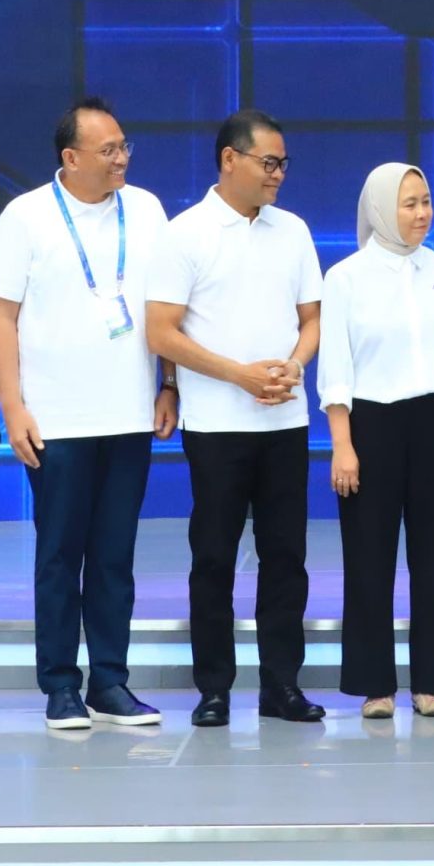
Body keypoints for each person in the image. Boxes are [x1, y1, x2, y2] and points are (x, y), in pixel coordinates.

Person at [0, 97, 173, 731]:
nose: (122, 159)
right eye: (108, 150)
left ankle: (110, 682)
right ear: (70, 158)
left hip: (129, 414)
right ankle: (61, 685)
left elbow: (167, 306)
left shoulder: (146, 210)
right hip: (55, 419)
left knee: (115, 557)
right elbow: (0, 317)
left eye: (124, 147)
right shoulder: (25, 216)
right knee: (60, 556)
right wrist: (13, 406)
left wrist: (169, 383)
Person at [144, 109, 328, 728]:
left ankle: (282, 685)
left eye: (283, 164)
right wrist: (238, 375)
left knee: (286, 558)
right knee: (214, 558)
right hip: (216, 424)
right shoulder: (185, 234)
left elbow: (312, 319)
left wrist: (294, 365)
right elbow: (161, 332)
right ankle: (214, 689)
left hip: (285, 421)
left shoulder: (293, 230)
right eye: (268, 162)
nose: (278, 174)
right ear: (230, 159)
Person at [319, 163, 434, 718]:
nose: (422, 214)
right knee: (368, 558)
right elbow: (336, 369)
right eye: (409, 203)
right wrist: (342, 444)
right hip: (371, 426)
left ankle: (433, 683)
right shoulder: (345, 277)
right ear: (378, 209)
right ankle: (375, 685)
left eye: (426, 201)